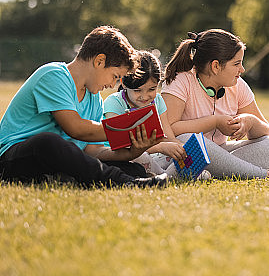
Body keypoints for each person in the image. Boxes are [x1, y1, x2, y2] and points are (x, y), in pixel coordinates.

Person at [0, 26, 167, 187]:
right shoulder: (54, 75)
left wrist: (133, 152)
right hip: (14, 157)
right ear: (99, 61)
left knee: (134, 169)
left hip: (60, 159)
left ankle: (64, 177)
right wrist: (128, 128)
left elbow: (92, 150)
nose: (112, 85)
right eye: (115, 76)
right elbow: (76, 129)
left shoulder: (94, 98)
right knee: (47, 142)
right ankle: (126, 182)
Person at [161, 29, 269, 179]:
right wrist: (215, 122)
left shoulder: (238, 85)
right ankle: (266, 175)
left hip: (219, 151)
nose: (242, 70)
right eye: (236, 64)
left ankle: (213, 170)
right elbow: (170, 129)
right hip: (179, 153)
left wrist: (249, 121)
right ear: (216, 66)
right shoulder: (180, 81)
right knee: (190, 141)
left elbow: (265, 131)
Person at [95, 51, 190, 178]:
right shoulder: (114, 103)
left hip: (154, 154)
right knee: (142, 156)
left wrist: (181, 148)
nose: (145, 97)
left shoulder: (157, 101)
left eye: (152, 89)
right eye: (137, 90)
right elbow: (124, 145)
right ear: (123, 82)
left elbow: (169, 137)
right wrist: (161, 147)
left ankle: (175, 172)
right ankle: (167, 176)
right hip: (124, 156)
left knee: (175, 151)